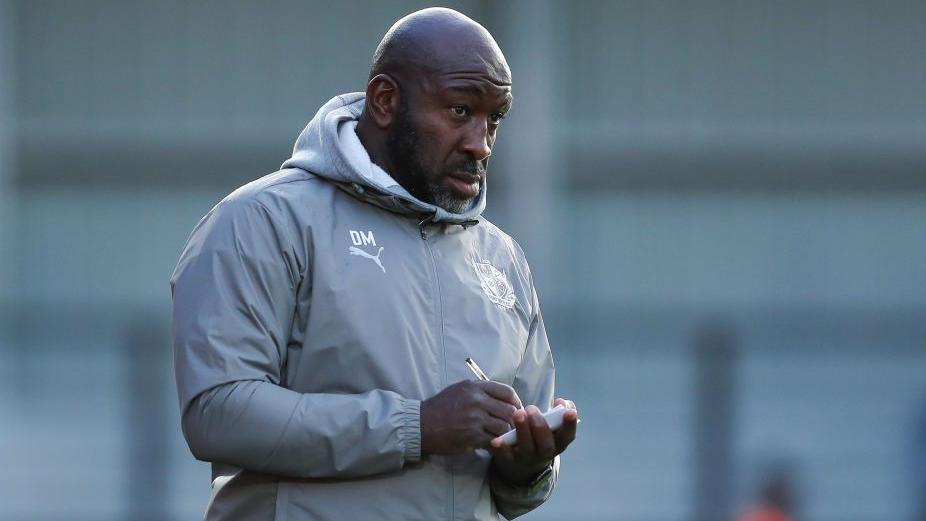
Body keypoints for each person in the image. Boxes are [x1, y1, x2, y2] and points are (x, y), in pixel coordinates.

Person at [171, 7, 578, 520]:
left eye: (492, 119)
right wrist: (416, 426)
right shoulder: (263, 220)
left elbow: (516, 482)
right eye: (459, 112)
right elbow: (218, 414)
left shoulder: (502, 259)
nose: (480, 142)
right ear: (385, 101)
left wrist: (528, 466)